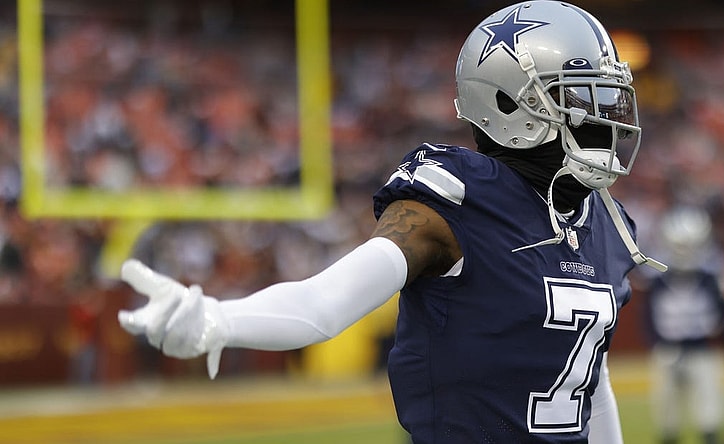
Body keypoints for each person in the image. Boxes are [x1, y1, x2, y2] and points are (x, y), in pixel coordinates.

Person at [117, 1, 666, 442]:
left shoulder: (606, 221)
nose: (605, 120)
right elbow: (322, 303)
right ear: (507, 104)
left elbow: (591, 380)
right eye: (582, 99)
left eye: (611, 99)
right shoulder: (456, 201)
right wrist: (217, 318)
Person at [641, 205, 724, 444]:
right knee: (666, 404)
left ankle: (709, 435)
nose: (687, 251)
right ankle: (670, 435)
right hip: (668, 348)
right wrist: (657, 344)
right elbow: (648, 317)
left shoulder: (710, 279)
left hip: (701, 348)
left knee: (708, 400)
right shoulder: (658, 281)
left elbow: (721, 316)